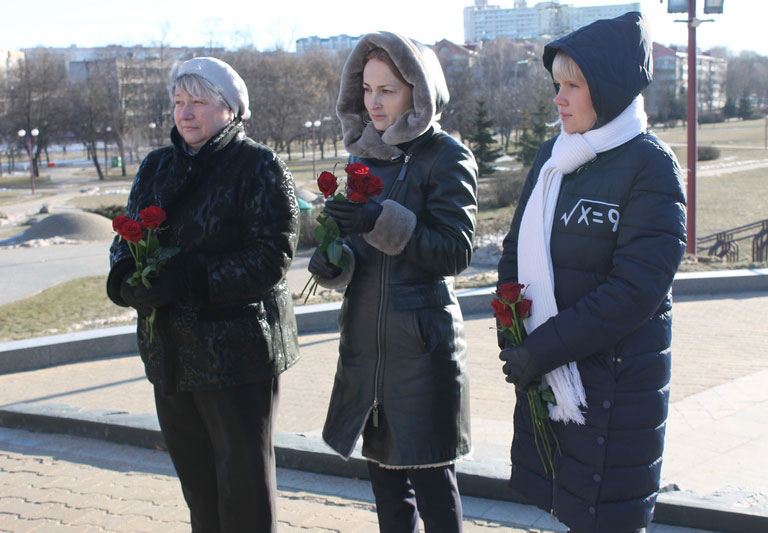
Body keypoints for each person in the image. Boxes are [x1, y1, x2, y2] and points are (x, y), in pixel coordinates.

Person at [496, 12, 687, 533]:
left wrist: (543, 349)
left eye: (573, 85)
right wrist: (512, 329)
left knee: (606, 517)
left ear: (610, 88)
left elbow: (636, 290)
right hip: (553, 377)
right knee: (569, 508)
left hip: (615, 393)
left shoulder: (650, 166)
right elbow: (515, 251)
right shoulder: (553, 157)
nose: (558, 98)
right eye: (557, 84)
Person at [106, 57, 299, 532]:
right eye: (178, 102)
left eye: (198, 102)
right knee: (199, 489)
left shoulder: (259, 165)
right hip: (170, 354)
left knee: (243, 490)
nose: (184, 113)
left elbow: (271, 258)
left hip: (237, 355)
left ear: (230, 109)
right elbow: (124, 240)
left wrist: (188, 278)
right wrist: (127, 280)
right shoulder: (156, 166)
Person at [307, 32, 478, 532]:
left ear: (417, 93)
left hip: (421, 352)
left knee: (432, 486)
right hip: (367, 347)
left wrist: (380, 219)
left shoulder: (447, 156)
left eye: (388, 90)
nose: (374, 103)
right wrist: (333, 261)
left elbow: (455, 251)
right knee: (385, 488)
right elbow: (364, 255)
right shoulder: (366, 158)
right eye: (366, 89)